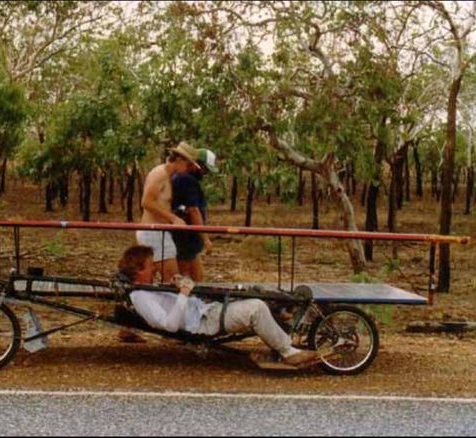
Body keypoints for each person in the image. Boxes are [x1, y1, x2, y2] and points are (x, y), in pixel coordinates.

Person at [117, 245, 322, 367]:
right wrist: (183, 294)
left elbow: (173, 301)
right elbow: (169, 326)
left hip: (205, 310)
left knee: (255, 292)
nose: (155, 267)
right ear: (138, 271)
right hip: (204, 322)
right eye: (151, 264)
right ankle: (288, 352)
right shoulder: (141, 297)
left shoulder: (147, 288)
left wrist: (178, 287)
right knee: (256, 307)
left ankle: (282, 323)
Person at [136, 141, 200, 283]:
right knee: (172, 278)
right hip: (154, 233)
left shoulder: (170, 177)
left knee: (157, 280)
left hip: (160, 233)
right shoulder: (160, 174)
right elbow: (146, 202)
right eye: (188, 164)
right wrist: (173, 219)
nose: (189, 169)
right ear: (178, 160)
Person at [171, 148, 218, 281]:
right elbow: (193, 210)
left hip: (188, 240)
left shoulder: (181, 178)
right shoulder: (187, 180)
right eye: (205, 170)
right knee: (187, 278)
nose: (206, 174)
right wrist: (205, 239)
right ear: (197, 165)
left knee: (197, 278)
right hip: (185, 239)